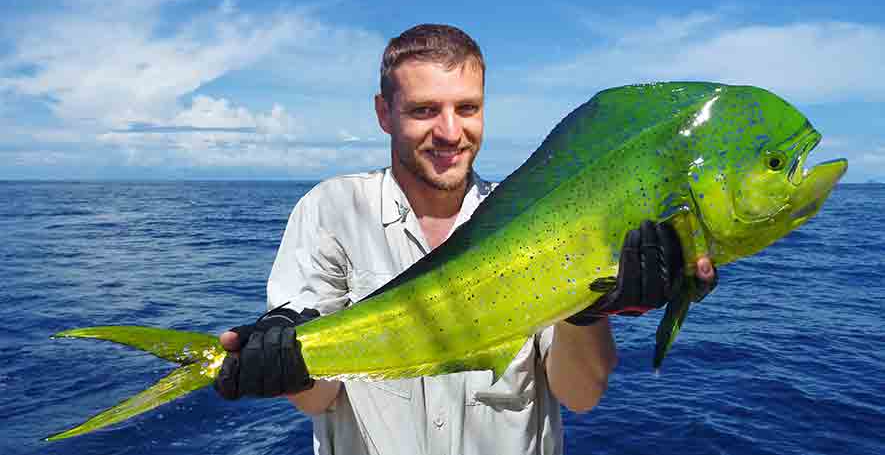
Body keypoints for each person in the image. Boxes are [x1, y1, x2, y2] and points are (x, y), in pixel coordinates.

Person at [214, 24, 718, 455]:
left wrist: (586, 309)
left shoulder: (539, 223)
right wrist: (283, 362)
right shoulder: (331, 210)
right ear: (384, 114)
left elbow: (580, 395)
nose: (451, 132)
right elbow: (316, 399)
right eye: (424, 110)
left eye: (468, 108)